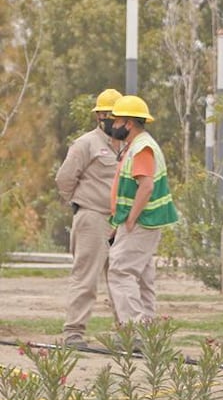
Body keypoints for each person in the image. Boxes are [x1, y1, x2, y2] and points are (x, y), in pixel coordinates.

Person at [55, 88, 123, 348]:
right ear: (99, 116)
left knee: (121, 277)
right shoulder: (86, 144)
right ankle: (74, 332)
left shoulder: (127, 146)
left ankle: (126, 333)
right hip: (92, 218)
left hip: (120, 221)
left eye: (118, 116)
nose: (113, 121)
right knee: (86, 277)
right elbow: (64, 179)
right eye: (109, 115)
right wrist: (80, 203)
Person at [107, 95, 179, 325]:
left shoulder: (142, 148)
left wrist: (130, 220)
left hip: (141, 222)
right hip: (142, 221)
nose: (113, 125)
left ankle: (134, 329)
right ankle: (146, 328)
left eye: (117, 120)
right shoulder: (136, 146)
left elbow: (146, 186)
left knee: (121, 271)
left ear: (129, 123)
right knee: (143, 277)